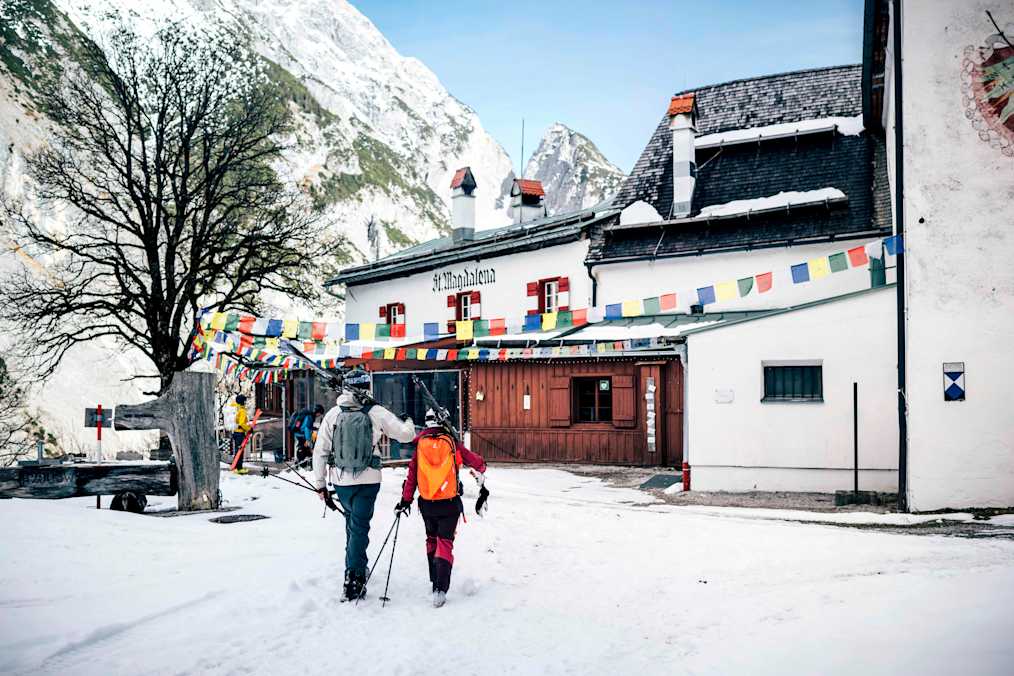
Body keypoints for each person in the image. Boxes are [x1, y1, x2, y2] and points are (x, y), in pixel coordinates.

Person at [312, 368, 415, 602]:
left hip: (340, 480)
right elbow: (406, 435)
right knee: (359, 527)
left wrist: (320, 485)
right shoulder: (376, 412)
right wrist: (407, 419)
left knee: (353, 524)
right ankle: (354, 578)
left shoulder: (333, 414)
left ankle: (357, 566)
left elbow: (320, 452)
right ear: (367, 387)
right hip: (369, 480)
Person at [396, 409, 488, 608]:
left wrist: (406, 499)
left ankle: (434, 581)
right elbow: (471, 459)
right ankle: (441, 589)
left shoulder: (420, 444)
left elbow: (412, 475)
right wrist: (482, 466)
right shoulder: (451, 442)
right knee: (445, 543)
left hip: (427, 503)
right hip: (449, 503)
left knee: (431, 540)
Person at [230, 394, 252, 474]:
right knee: (240, 451)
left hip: (235, 432)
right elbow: (241, 423)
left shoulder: (237, 408)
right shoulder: (242, 411)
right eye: (245, 401)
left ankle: (236, 467)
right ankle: (239, 468)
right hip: (240, 433)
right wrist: (249, 428)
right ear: (243, 402)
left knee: (237, 450)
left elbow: (237, 421)